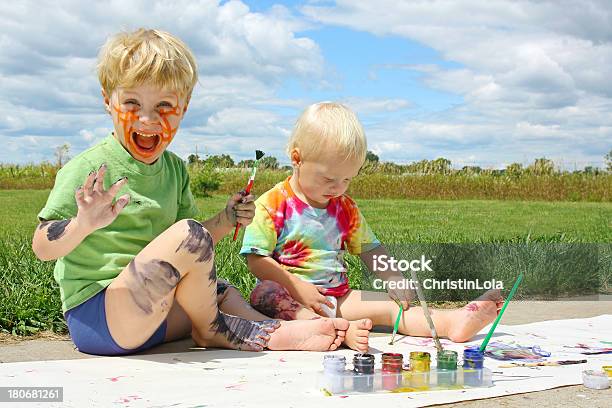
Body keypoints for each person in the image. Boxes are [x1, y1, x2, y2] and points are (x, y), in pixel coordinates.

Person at [32, 29, 348, 356]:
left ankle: (269, 330)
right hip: (102, 318)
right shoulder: (90, 168)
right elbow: (42, 246)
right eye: (131, 103)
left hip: (154, 314)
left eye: (164, 105)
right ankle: (217, 331)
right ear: (107, 100)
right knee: (190, 238)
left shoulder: (174, 169)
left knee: (221, 290)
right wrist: (82, 224)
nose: (147, 119)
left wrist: (226, 220)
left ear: (183, 108)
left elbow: (188, 250)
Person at [240, 102, 503, 352]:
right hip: (289, 299)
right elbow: (256, 260)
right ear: (297, 159)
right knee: (264, 293)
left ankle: (450, 323)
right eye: (329, 178)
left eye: (347, 179)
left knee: (392, 306)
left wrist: (393, 278)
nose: (338, 188)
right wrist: (298, 287)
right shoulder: (272, 204)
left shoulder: (344, 208)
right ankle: (331, 331)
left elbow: (370, 249)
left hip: (339, 299)